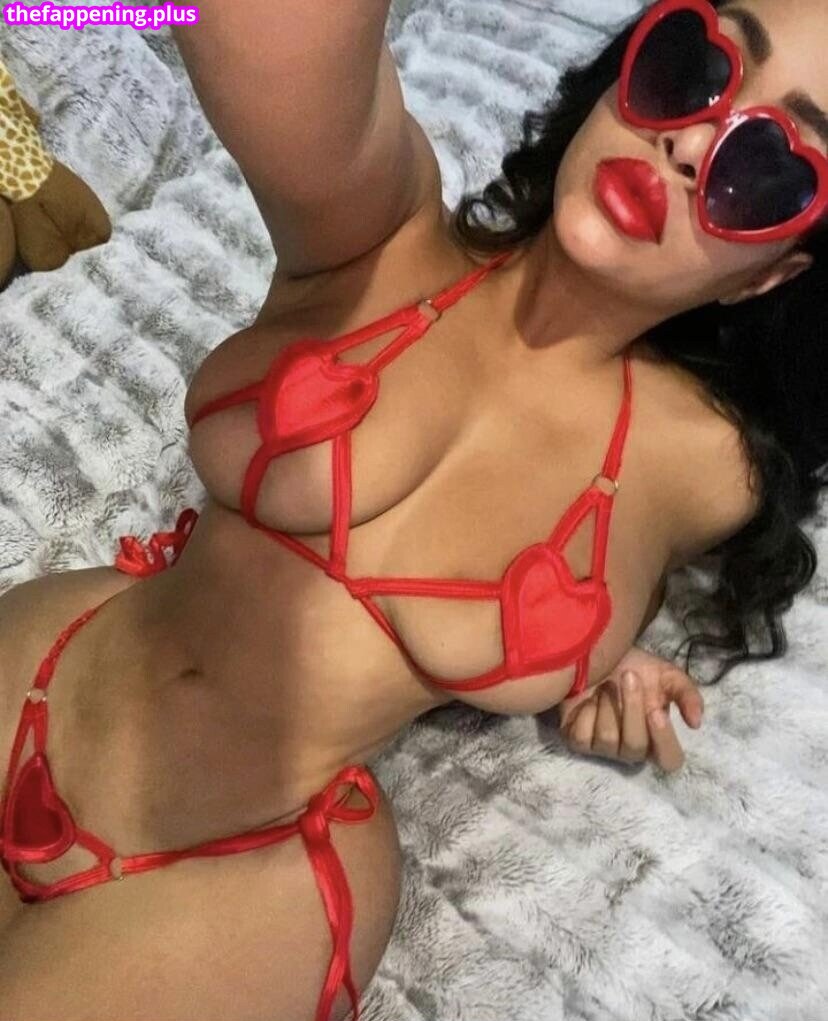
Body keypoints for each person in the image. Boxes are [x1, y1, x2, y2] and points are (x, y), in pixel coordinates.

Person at [0, 0, 825, 1018]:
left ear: (772, 275)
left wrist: (609, 656)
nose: (692, 144)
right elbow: (273, 40)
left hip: (247, 878)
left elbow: (626, 560)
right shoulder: (378, 234)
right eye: (692, 65)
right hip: (44, 669)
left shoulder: (708, 468)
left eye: (770, 170)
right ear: (624, 70)